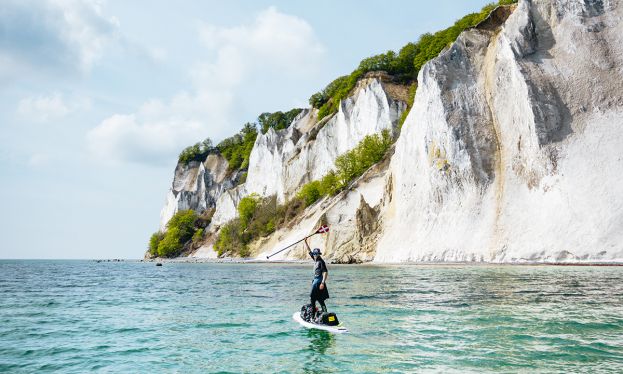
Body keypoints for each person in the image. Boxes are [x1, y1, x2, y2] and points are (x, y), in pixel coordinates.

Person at [304, 237, 329, 314]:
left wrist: (322, 283)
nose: (315, 255)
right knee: (319, 298)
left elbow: (325, 272)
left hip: (318, 281)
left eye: (316, 254)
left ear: (319, 254)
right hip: (316, 280)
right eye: (314, 254)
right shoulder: (315, 259)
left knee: (312, 297)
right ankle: (324, 311)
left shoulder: (321, 262)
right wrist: (305, 242)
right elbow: (309, 251)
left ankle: (313, 312)